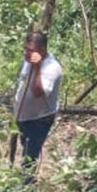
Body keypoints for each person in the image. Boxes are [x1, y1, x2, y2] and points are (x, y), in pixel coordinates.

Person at [13, 31, 63, 182]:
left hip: (39, 119)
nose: (26, 53)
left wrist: (37, 67)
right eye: (25, 49)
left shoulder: (52, 67)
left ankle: (26, 186)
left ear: (42, 50)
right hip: (23, 116)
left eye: (31, 50)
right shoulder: (27, 61)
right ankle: (23, 180)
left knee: (30, 154)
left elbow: (37, 92)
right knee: (25, 147)